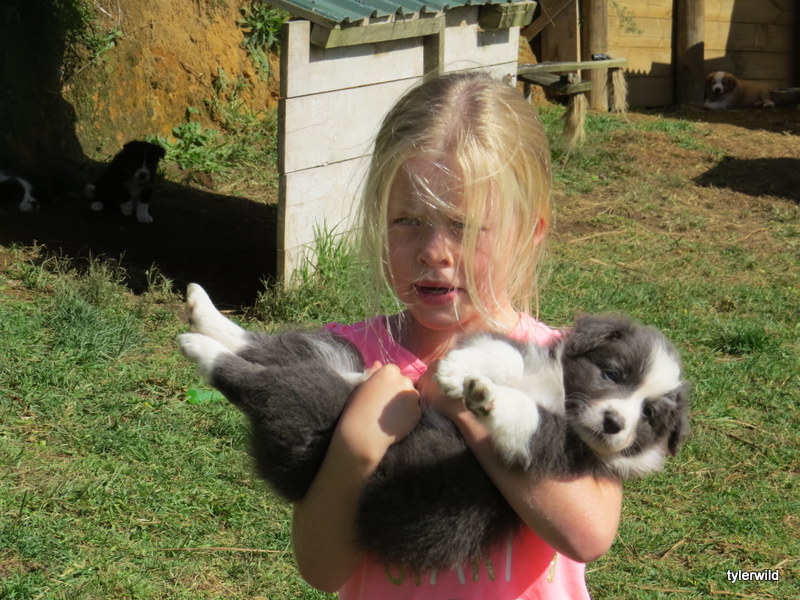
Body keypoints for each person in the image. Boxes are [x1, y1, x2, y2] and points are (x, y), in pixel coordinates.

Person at [291, 71, 622, 599]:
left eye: (463, 226)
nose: (433, 252)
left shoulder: (566, 370)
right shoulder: (344, 363)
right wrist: (354, 448)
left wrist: (474, 408)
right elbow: (321, 570)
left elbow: (588, 532)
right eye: (407, 221)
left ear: (529, 232)